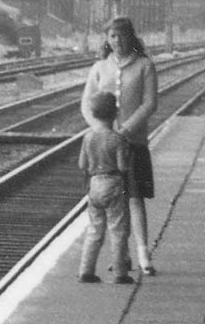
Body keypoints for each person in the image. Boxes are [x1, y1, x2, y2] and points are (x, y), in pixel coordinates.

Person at [82, 17, 158, 276]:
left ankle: (143, 254)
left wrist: (125, 131)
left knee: (135, 199)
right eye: (112, 36)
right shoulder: (99, 68)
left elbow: (149, 104)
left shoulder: (145, 66)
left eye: (122, 35)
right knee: (116, 203)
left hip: (133, 143)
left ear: (131, 37)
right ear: (107, 39)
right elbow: (86, 104)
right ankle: (121, 257)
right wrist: (101, 131)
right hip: (106, 146)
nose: (117, 41)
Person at [78, 91, 133, 284]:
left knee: (94, 230)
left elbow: (82, 165)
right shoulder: (117, 139)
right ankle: (120, 273)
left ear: (93, 114)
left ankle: (86, 270)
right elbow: (122, 167)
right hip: (113, 184)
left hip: (94, 186)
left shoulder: (87, 137)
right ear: (115, 114)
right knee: (118, 229)